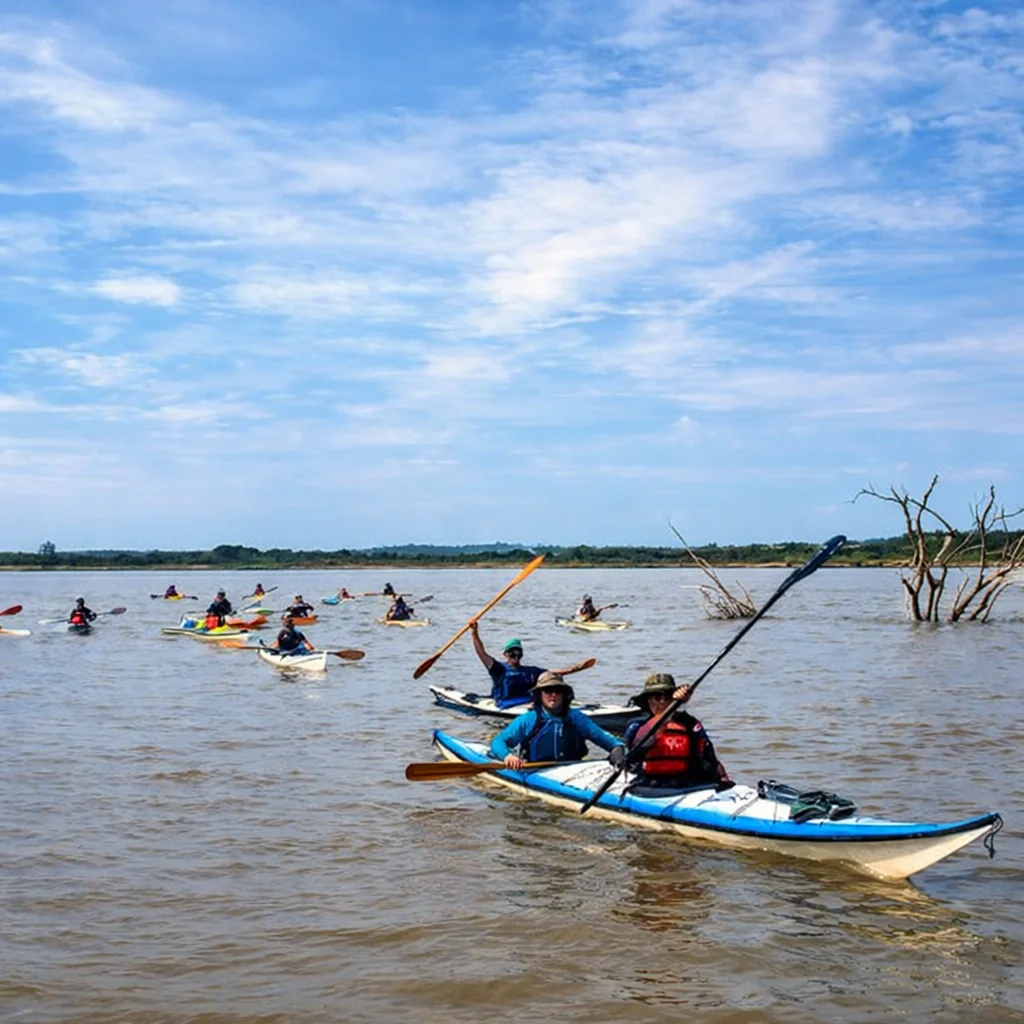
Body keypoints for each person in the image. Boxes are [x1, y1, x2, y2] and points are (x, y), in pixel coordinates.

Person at [489, 672, 626, 769]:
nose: (553, 694)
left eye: (557, 690)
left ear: (564, 695)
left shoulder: (577, 719)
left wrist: (618, 752)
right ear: (540, 695)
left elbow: (611, 742)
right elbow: (498, 742)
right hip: (535, 771)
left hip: (572, 771)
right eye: (548, 690)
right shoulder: (529, 720)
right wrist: (507, 756)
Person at [622, 673, 731, 790]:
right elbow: (638, 747)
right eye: (657, 698)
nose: (663, 702)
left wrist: (723, 779)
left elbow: (709, 756)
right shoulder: (637, 725)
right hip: (649, 785)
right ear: (648, 701)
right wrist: (668, 712)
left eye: (668, 697)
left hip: (686, 785)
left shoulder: (689, 723)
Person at [469, 622, 588, 709]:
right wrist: (474, 632)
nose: (515, 654)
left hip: (527, 701)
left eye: (518, 652)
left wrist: (574, 669)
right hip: (506, 704)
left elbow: (550, 673)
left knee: (552, 681)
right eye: (512, 652)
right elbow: (481, 652)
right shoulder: (498, 669)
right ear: (505, 654)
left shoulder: (530, 671)